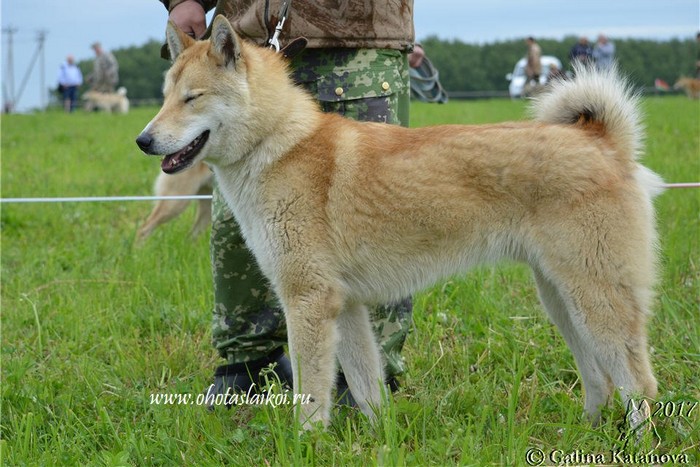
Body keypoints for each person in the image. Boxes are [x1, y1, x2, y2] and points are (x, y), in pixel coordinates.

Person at [158, 0, 415, 406]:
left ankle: (366, 381)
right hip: (249, 36)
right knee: (236, 231)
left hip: (357, 37)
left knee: (374, 221)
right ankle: (248, 363)